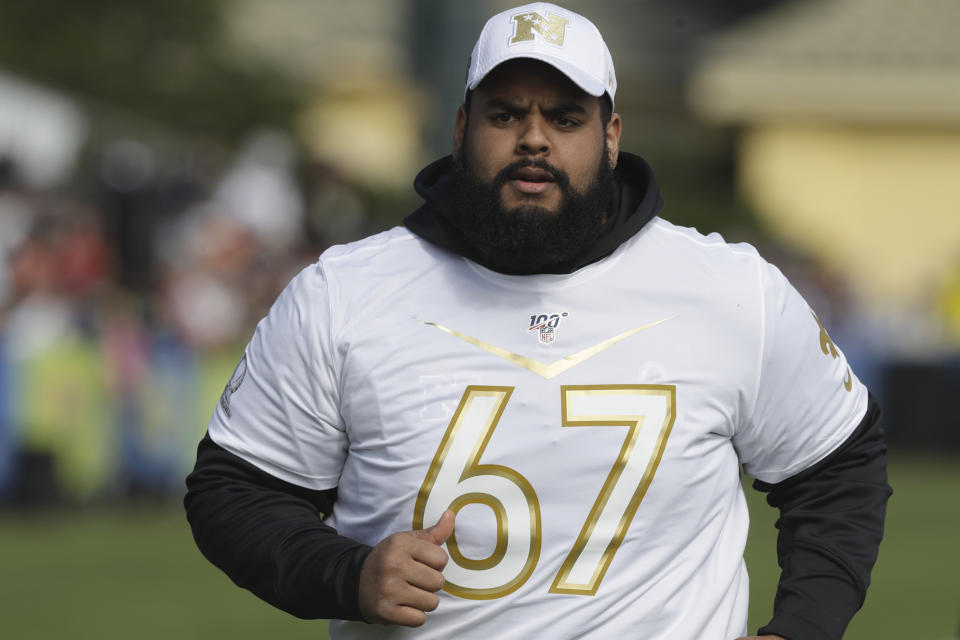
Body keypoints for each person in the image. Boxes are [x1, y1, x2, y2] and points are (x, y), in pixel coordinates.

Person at [184, 3, 890, 639]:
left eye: (565, 117)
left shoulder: (732, 292)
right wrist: (348, 576)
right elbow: (236, 489)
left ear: (611, 136)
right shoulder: (343, 294)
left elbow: (839, 465)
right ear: (462, 129)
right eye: (505, 114)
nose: (533, 139)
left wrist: (799, 628)